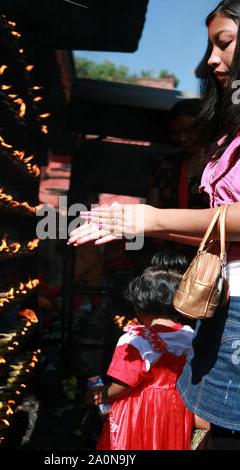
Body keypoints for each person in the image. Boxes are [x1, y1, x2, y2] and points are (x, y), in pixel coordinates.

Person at [68, 0, 240, 450]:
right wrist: (144, 226)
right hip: (220, 293)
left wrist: (154, 219)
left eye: (224, 43)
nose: (211, 61)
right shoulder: (178, 160)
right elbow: (217, 227)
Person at [90, 252, 195, 450]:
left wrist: (102, 394)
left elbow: (123, 385)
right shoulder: (190, 337)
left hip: (140, 415)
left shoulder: (136, 340)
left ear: (140, 307)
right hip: (177, 412)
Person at [147, 99, 209, 210]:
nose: (182, 138)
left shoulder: (219, 163)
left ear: (205, 127)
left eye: (190, 131)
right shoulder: (164, 164)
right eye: (176, 133)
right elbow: (151, 210)